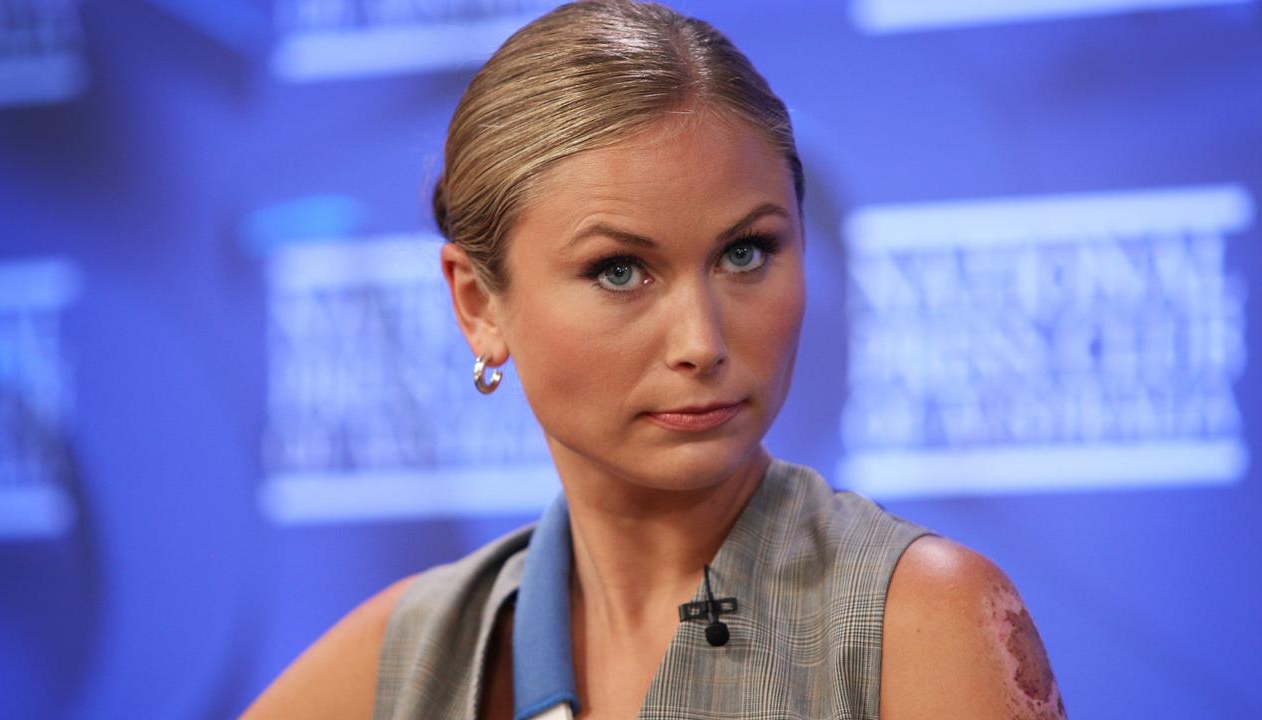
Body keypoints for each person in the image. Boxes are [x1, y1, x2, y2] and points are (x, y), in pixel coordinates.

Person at [244, 1, 1066, 718]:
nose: (701, 343)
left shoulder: (918, 622)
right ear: (478, 304)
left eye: (746, 253)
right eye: (620, 271)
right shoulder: (418, 658)